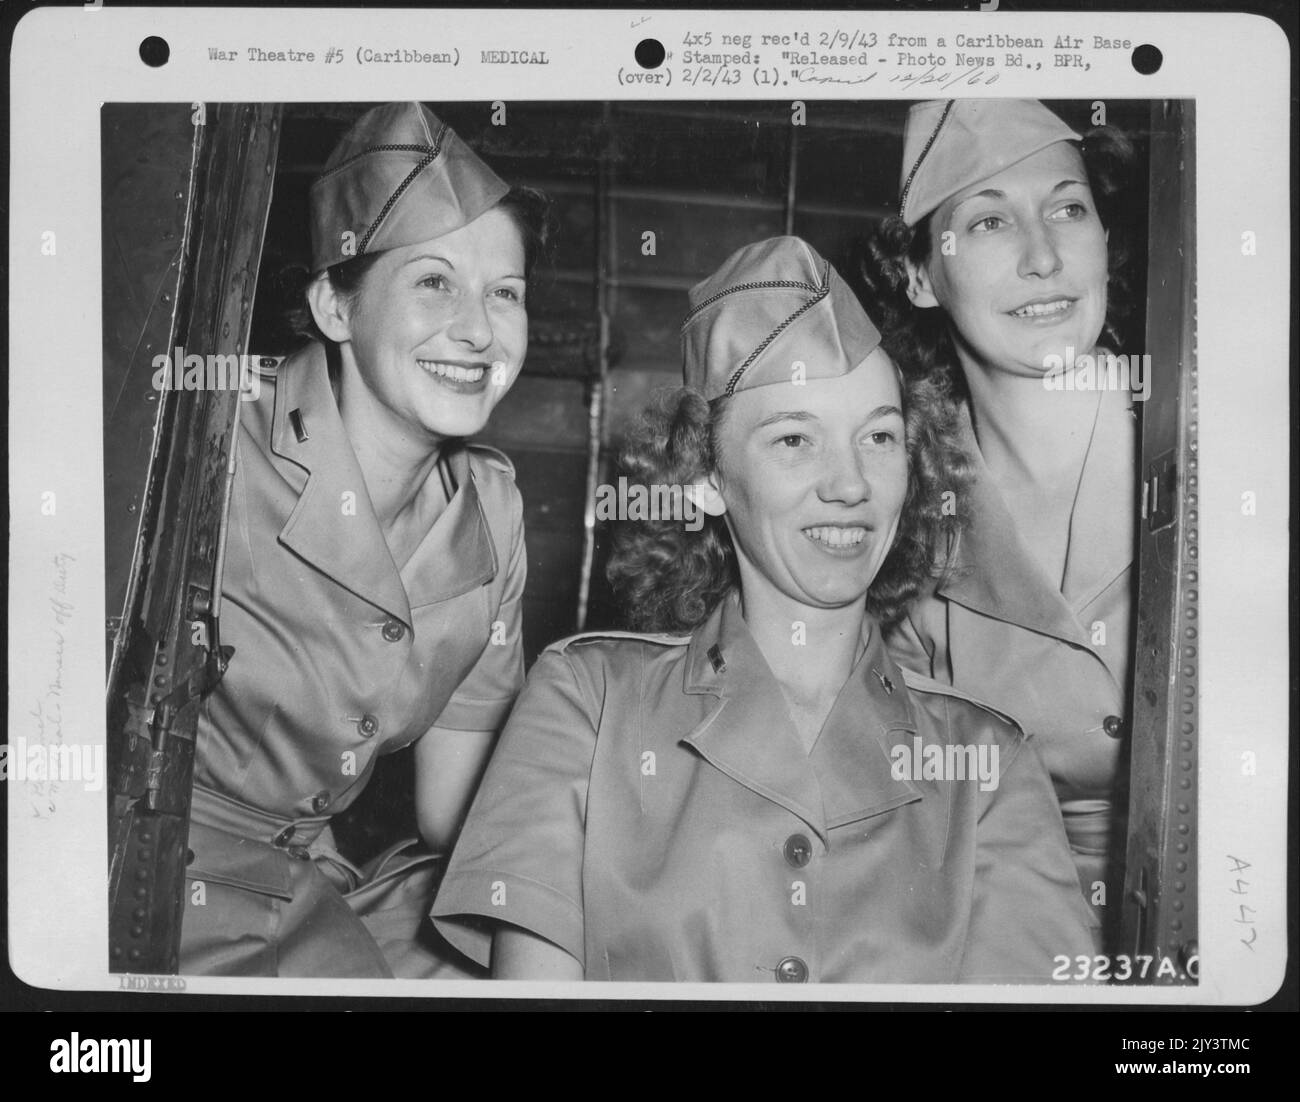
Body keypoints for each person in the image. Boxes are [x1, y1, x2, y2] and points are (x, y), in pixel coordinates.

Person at [431, 237, 1096, 983]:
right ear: (706, 478)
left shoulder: (990, 763)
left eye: (878, 436)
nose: (850, 484)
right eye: (794, 439)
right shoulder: (585, 701)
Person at [179, 102, 548, 977]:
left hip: (319, 876)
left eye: (506, 293)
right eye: (433, 282)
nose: (478, 328)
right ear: (334, 307)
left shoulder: (491, 513)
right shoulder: (209, 446)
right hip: (163, 861)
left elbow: (453, 812)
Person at [864, 99, 1140, 935]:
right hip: (1010, 922)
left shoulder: (1213, 442)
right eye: (988, 222)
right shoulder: (896, 517)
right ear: (919, 276)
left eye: (1068, 208)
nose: (1044, 256)